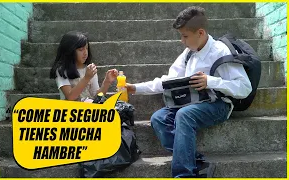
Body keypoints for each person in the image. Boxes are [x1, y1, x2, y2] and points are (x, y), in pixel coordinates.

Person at [126, 6, 252, 178]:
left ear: (200, 33)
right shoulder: (188, 54)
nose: (182, 41)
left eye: (185, 36)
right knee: (158, 118)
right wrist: (136, 88)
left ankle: (183, 174)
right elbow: (168, 81)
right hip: (191, 103)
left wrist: (211, 81)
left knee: (184, 115)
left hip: (218, 105)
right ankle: (195, 161)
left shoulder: (221, 51)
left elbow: (245, 88)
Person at [49, 31, 118, 102]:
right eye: (81, 50)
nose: (85, 53)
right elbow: (70, 96)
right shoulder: (61, 71)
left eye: (87, 48)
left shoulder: (89, 69)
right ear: (70, 51)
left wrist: (107, 81)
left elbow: (96, 96)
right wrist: (86, 78)